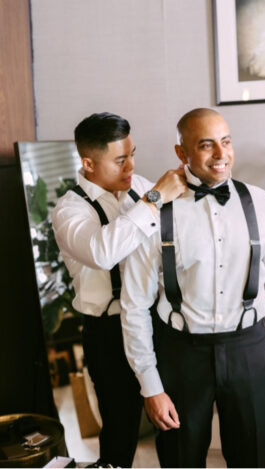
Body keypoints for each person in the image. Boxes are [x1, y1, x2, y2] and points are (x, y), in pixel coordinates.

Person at [120, 108, 265, 468]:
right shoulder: (153, 211)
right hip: (180, 354)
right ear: (182, 152)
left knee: (253, 460)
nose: (221, 154)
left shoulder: (262, 204)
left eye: (226, 141)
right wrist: (151, 386)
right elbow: (134, 304)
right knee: (179, 460)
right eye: (206, 145)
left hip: (249, 349)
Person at [52, 112, 186, 468]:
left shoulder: (140, 187)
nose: (131, 166)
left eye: (132, 154)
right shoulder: (69, 210)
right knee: (120, 427)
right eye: (120, 159)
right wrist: (155, 199)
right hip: (108, 332)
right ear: (88, 162)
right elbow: (102, 251)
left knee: (172, 421)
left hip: (155, 320)